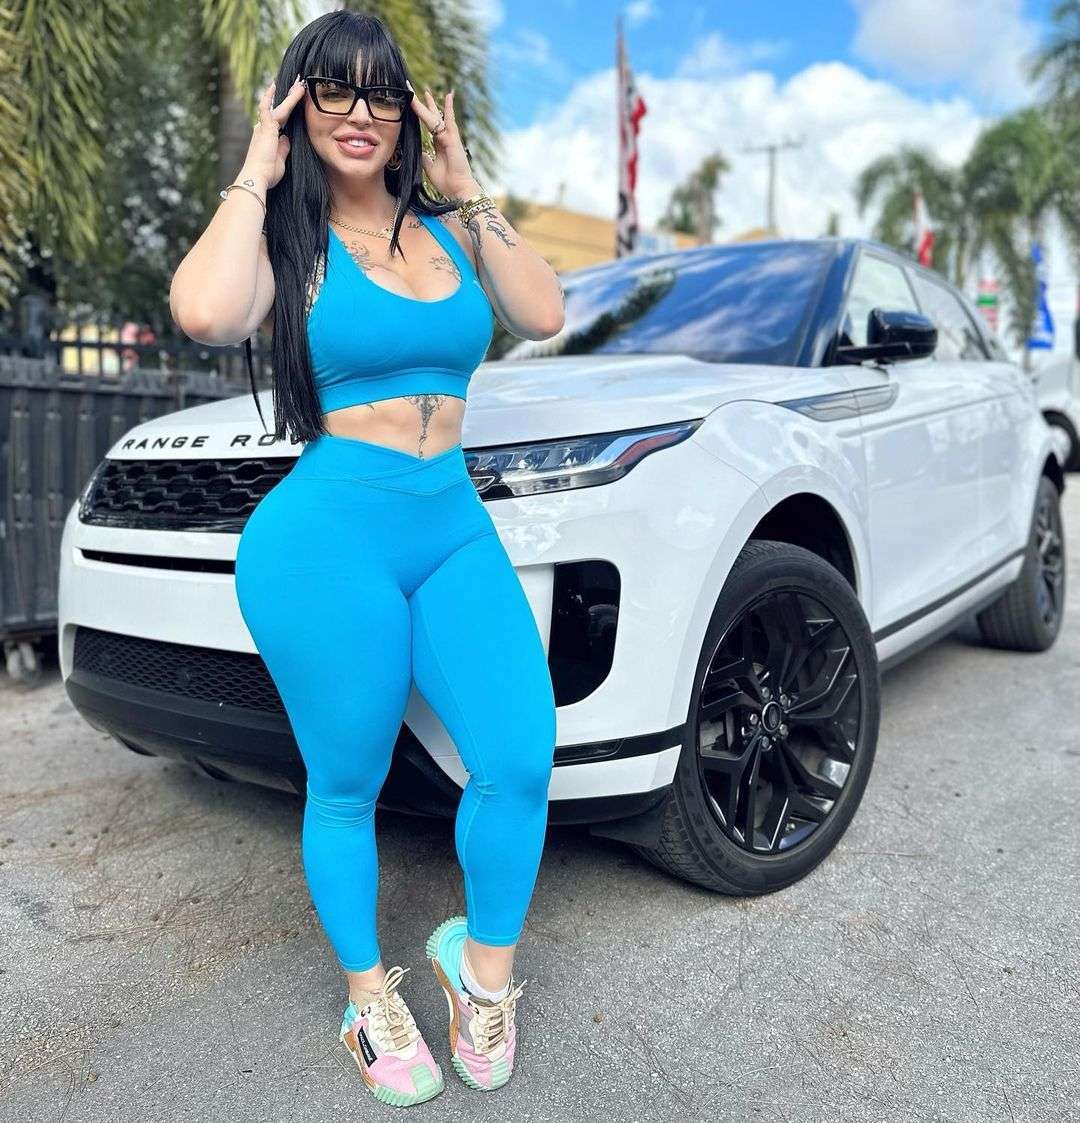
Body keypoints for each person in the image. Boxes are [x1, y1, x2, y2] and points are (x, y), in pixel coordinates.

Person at [168, 10, 564, 1108]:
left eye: (379, 93)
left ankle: (479, 975)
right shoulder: (288, 243)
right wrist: (258, 167)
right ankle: (364, 998)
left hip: (450, 524)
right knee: (348, 782)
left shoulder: (445, 228)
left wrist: (466, 185)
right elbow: (203, 310)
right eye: (331, 91)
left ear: (405, 115)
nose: (359, 113)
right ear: (298, 106)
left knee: (521, 753)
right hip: (326, 539)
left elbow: (543, 307)